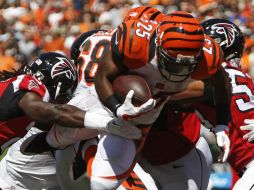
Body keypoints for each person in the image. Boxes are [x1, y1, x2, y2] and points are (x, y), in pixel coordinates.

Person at [90, 11, 230, 189]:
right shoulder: (135, 43)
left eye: (186, 65)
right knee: (101, 184)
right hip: (125, 121)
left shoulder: (207, 58)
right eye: (173, 62)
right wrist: (117, 108)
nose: (178, 71)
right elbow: (102, 76)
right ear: (158, 43)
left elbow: (222, 83)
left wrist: (222, 125)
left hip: (168, 137)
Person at [0, 51, 141, 190]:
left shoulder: (17, 86)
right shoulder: (28, 88)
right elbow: (56, 113)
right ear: (55, 81)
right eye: (64, 94)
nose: (64, 100)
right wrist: (106, 123)